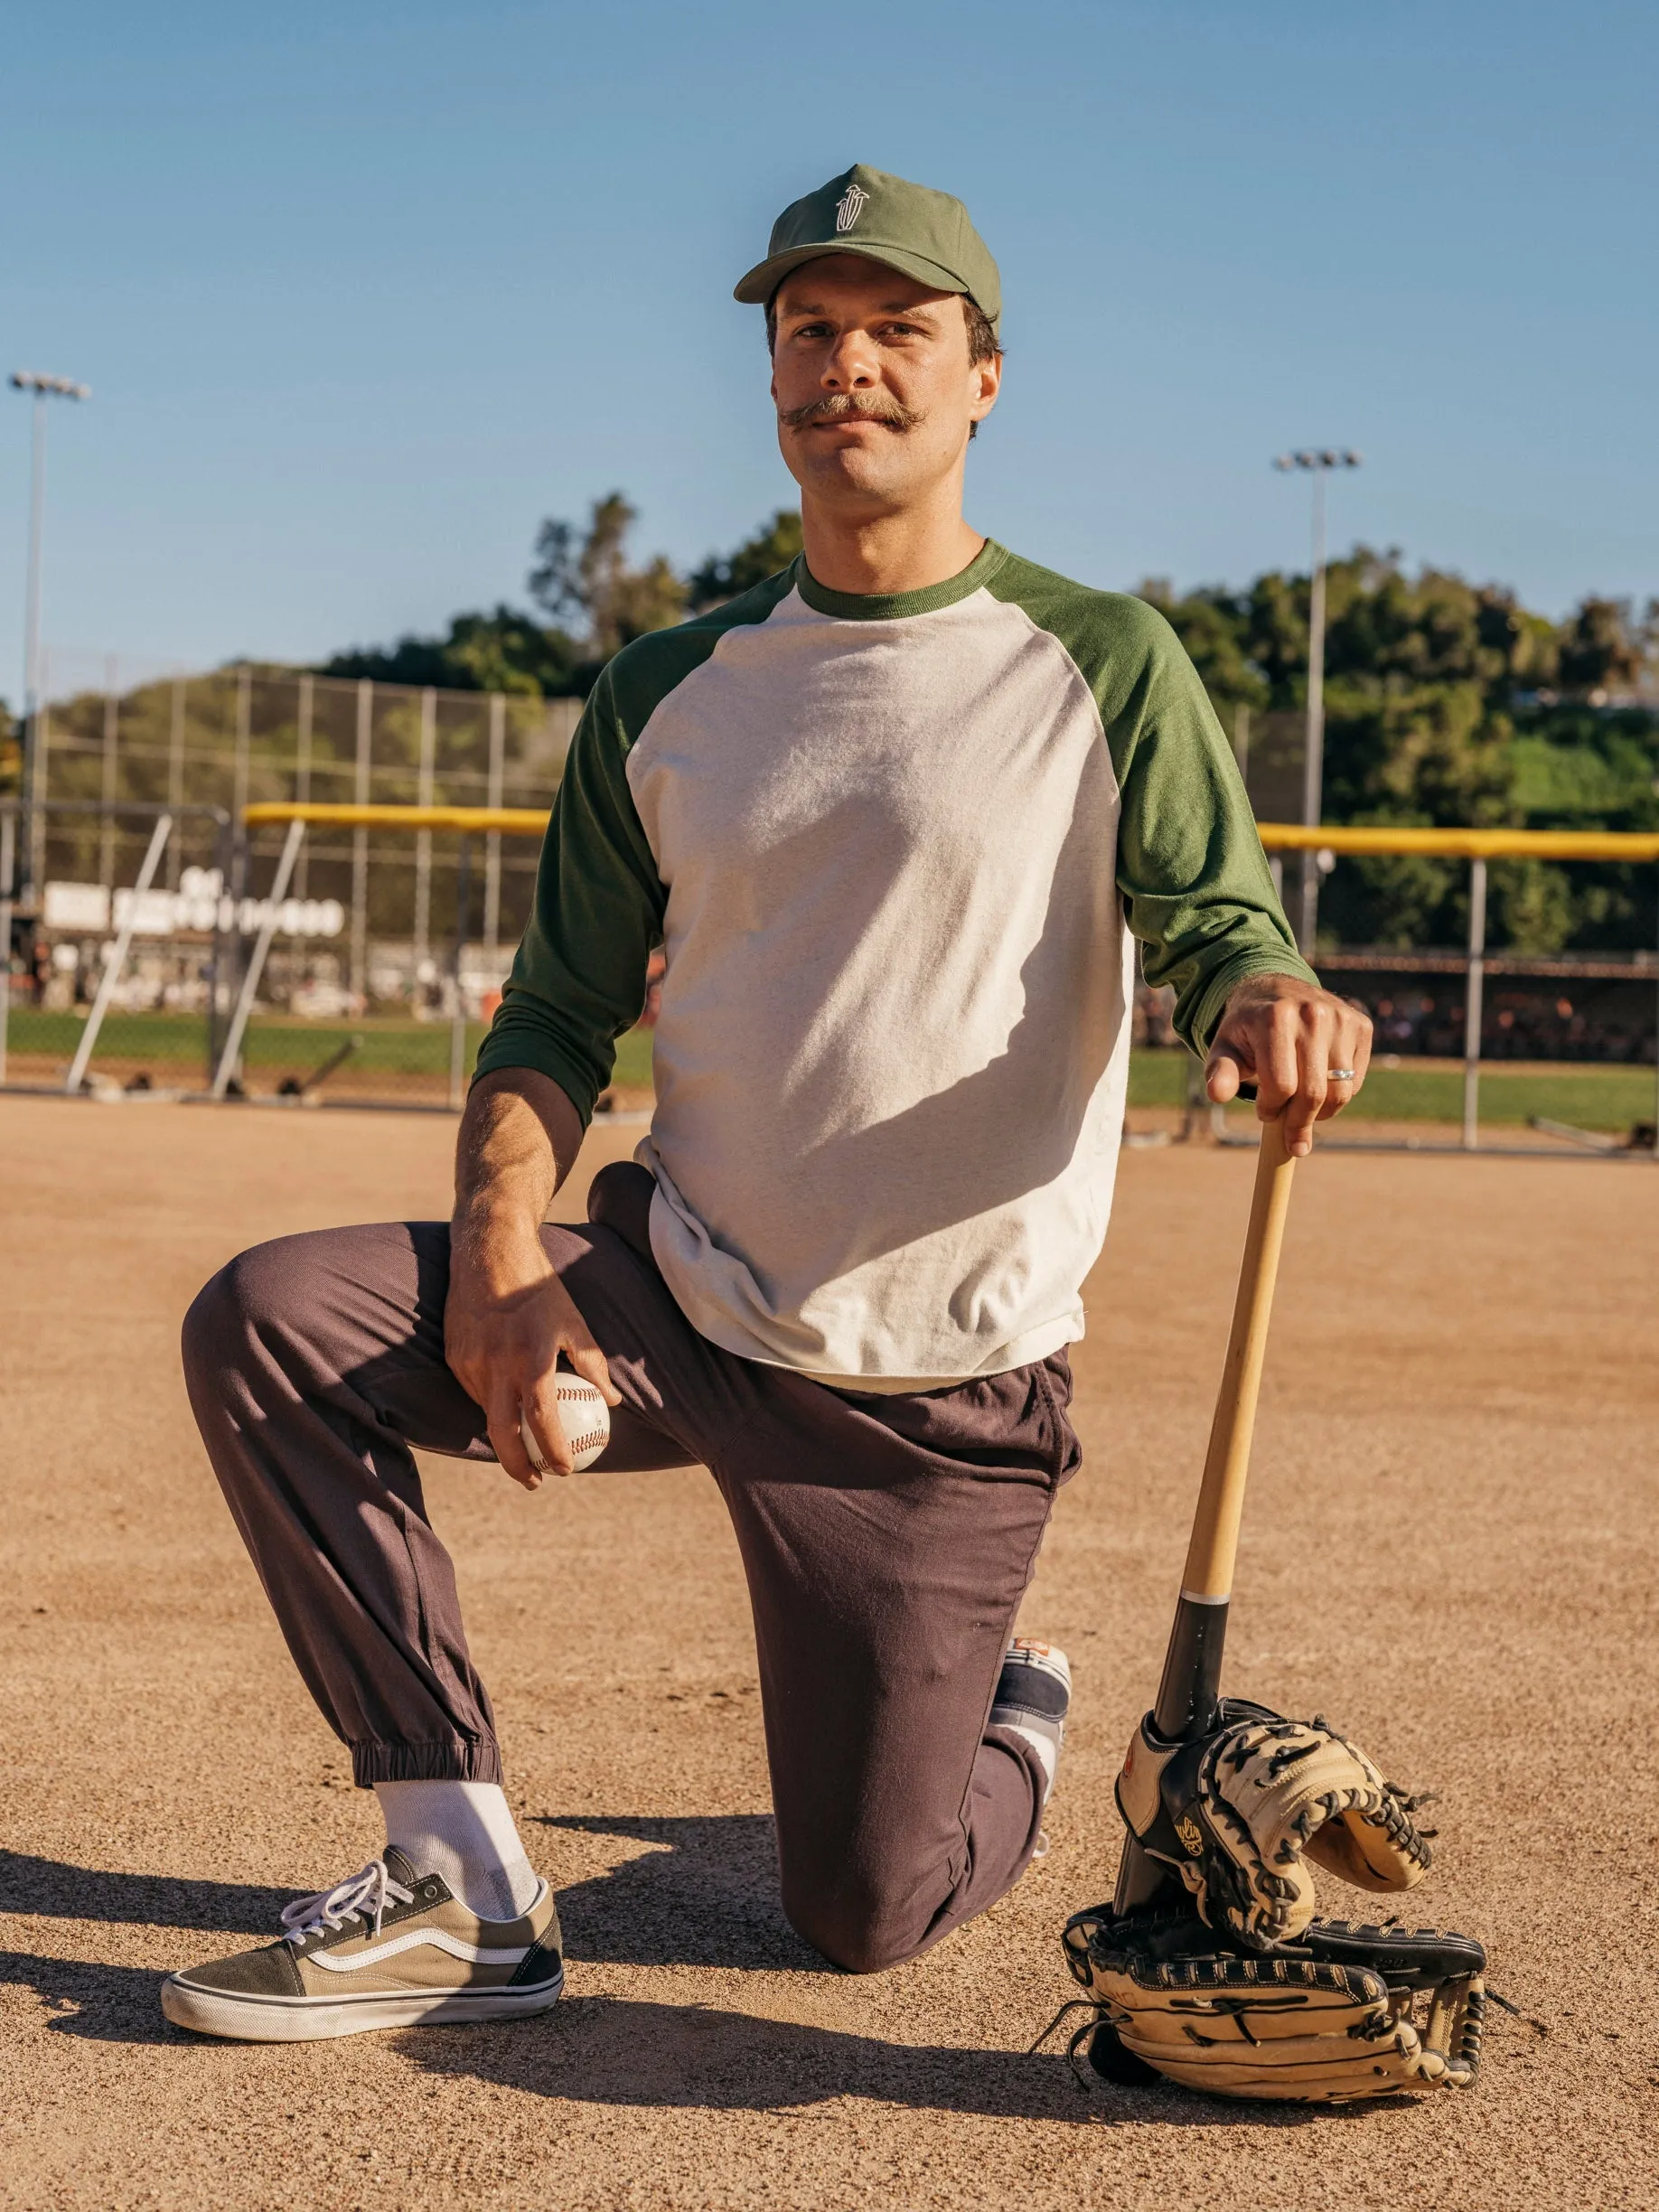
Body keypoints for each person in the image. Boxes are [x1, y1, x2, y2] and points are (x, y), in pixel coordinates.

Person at [163, 164, 1372, 2040]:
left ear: (985, 379)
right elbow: (557, 1014)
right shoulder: (666, 687)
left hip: (936, 1399)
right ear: (773, 371)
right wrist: (500, 1259)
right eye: (811, 330)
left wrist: (1270, 996)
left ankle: (1020, 1730)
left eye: (900, 329)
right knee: (274, 1321)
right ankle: (456, 1881)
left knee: (862, 1912)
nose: (849, 366)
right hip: (673, 1294)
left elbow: (1219, 919)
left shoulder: (1105, 659)